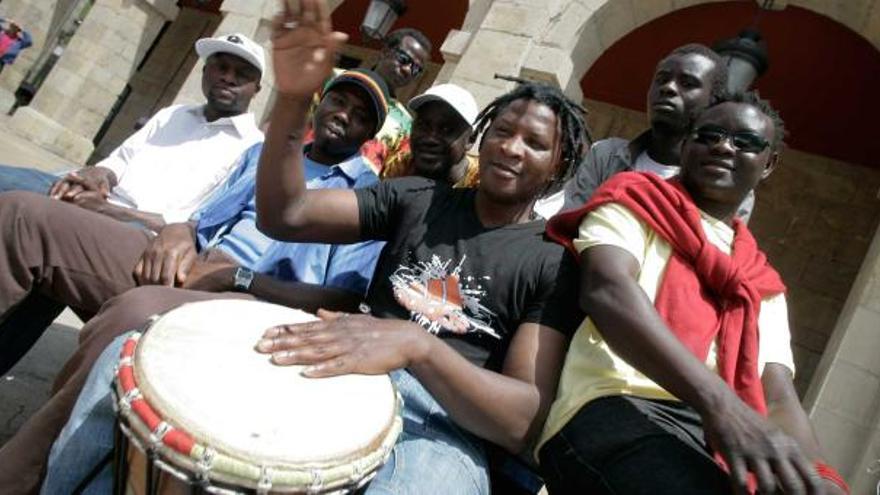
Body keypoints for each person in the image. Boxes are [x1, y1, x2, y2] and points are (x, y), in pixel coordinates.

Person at [5, 77, 480, 494]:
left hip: (259, 299)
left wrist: (240, 278)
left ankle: (27, 473)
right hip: (191, 262)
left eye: (360, 116)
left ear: (370, 136)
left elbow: (343, 296)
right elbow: (205, 219)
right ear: (318, 104)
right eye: (338, 102)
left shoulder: (368, 193)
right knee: (24, 215)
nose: (343, 117)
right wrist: (179, 232)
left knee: (135, 314)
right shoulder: (266, 154)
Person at [251, 1, 586, 492]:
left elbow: (522, 420)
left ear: (557, 167)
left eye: (534, 143)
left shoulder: (552, 259)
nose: (512, 148)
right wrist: (293, 99)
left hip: (444, 430)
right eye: (503, 132)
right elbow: (286, 214)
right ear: (483, 139)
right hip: (344, 376)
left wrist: (417, 346)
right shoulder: (416, 197)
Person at [537, 92, 849, 495]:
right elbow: (608, 292)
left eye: (746, 142)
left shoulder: (761, 279)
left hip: (713, 437)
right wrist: (722, 405)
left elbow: (777, 397)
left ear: (768, 164)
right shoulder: (633, 202)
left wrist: (821, 477)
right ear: (686, 145)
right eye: (710, 135)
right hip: (611, 406)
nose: (724, 146)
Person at [0, 32, 264, 229]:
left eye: (242, 74)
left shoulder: (254, 149)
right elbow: (120, 161)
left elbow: (197, 224)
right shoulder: (173, 114)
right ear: (205, 71)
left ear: (257, 89)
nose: (228, 78)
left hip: (139, 232)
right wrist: (98, 173)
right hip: (97, 201)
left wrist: (107, 211)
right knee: (9, 181)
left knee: (27, 213)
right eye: (221, 67)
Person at [561, 44, 755, 222]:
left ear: (713, 102)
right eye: (662, 80)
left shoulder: (731, 186)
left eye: (687, 83)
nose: (668, 88)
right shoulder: (606, 155)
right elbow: (566, 225)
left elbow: (718, 254)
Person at [306, 27, 433, 180]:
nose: (407, 70)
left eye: (416, 69)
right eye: (404, 59)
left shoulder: (406, 126)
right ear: (385, 51)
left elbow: (390, 176)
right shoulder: (334, 79)